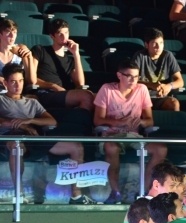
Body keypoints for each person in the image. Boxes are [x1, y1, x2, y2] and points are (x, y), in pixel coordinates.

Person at [0, 63, 94, 205]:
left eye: (20, 80)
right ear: (6, 83)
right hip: (11, 138)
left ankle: (76, 195)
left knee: (76, 147)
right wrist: (24, 126)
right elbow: (2, 122)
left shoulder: (32, 102)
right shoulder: (1, 100)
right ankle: (19, 195)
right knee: (16, 146)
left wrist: (31, 120)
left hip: (34, 139)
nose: (18, 85)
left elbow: (52, 121)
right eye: (13, 81)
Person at [94, 59, 168, 205]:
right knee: (111, 147)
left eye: (136, 76)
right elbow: (97, 120)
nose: (133, 80)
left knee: (161, 149)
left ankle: (145, 192)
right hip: (112, 135)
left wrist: (140, 122)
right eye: (129, 76)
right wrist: (120, 122)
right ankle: (115, 192)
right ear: (119, 75)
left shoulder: (142, 89)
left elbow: (150, 121)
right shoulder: (107, 89)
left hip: (134, 135)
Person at [31, 18, 93, 112]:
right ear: (52, 36)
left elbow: (80, 84)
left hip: (65, 94)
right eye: (60, 34)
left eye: (66, 33)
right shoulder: (40, 50)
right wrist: (53, 86)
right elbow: (31, 79)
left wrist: (76, 54)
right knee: (87, 97)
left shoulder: (69, 60)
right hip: (45, 93)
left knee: (97, 98)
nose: (64, 37)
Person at [121, 162, 186, 223]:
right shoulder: (144, 209)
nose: (176, 190)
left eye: (177, 186)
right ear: (156, 185)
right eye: (172, 186)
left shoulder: (150, 206)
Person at [132, 28, 184, 112]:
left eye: (161, 43)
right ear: (146, 45)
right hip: (142, 96)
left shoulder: (168, 56)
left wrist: (169, 86)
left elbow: (180, 81)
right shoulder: (139, 56)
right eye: (154, 43)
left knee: (174, 104)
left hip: (161, 96)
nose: (158, 47)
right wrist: (152, 85)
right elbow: (131, 80)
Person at [0, 18, 37, 89]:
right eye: (8, 32)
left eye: (14, 32)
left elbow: (32, 82)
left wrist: (29, 58)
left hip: (16, 91)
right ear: (0, 34)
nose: (12, 35)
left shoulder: (21, 49)